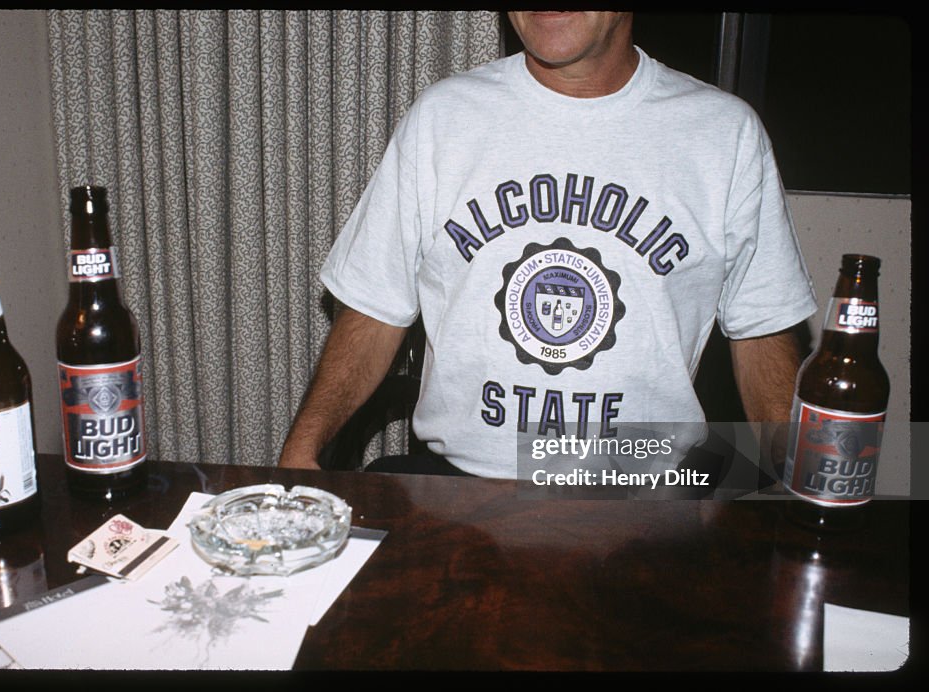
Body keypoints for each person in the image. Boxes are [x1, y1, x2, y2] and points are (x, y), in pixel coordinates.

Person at [278, 11, 817, 479]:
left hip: (642, 493)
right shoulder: (443, 119)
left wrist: (796, 488)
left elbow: (763, 327)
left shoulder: (724, 133)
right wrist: (300, 453)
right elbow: (374, 307)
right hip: (459, 487)